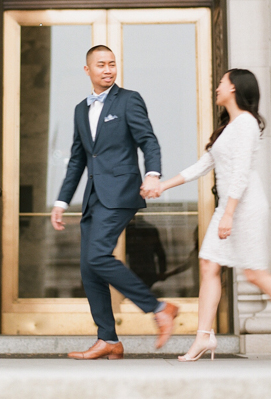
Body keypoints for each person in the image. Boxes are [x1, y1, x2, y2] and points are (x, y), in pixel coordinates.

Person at [140, 69, 271, 361]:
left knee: (255, 274)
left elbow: (240, 174)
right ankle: (204, 337)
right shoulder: (230, 127)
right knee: (208, 265)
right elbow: (202, 165)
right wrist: (162, 185)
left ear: (235, 88)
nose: (217, 88)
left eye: (222, 83)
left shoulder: (247, 124)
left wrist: (229, 214)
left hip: (244, 207)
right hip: (229, 206)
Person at [51, 45, 178, 360]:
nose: (107, 70)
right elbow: (78, 159)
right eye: (100, 65)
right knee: (88, 267)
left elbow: (148, 139)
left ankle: (160, 308)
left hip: (121, 190)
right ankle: (108, 338)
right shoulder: (82, 109)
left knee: (97, 256)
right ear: (87, 70)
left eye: (112, 64)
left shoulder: (129, 99)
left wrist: (152, 174)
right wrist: (61, 200)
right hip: (93, 197)